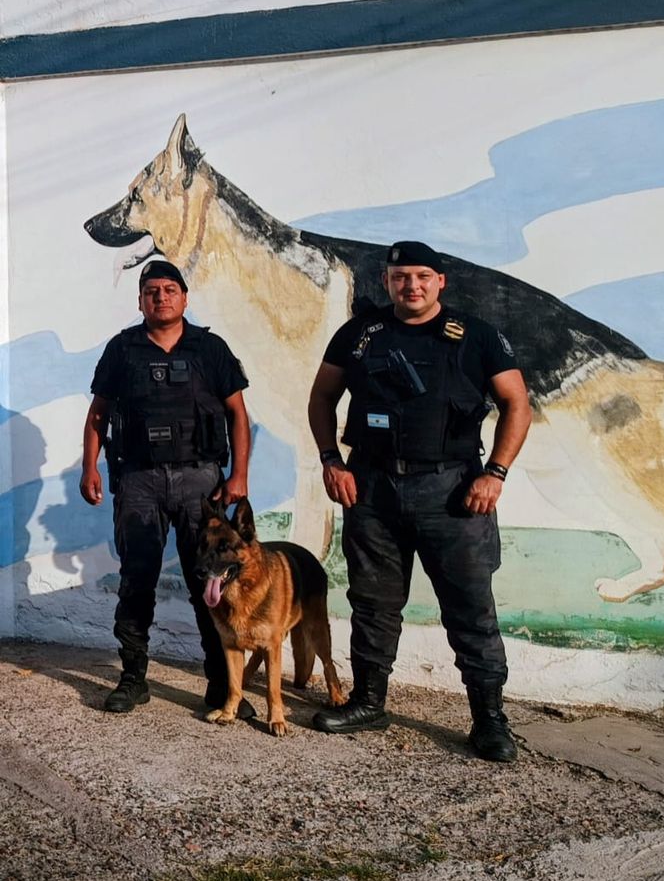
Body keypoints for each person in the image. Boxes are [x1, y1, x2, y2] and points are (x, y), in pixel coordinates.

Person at [307, 241, 532, 762]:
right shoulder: (359, 335)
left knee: (470, 607)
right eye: (401, 277)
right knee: (373, 602)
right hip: (372, 486)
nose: (412, 285)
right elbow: (322, 397)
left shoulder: (477, 336)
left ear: (440, 282)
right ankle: (368, 702)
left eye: (422, 276)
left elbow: (517, 403)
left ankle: (490, 720)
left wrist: (495, 473)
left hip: (453, 491)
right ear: (387, 282)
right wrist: (330, 461)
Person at [79, 259, 253, 717]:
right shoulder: (122, 350)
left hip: (201, 480)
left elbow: (238, 413)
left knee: (209, 581)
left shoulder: (210, 348)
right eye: (152, 290)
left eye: (170, 289)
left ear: (184, 298)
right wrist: (89, 468)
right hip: (140, 480)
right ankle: (133, 678)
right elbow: (99, 414)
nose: (161, 297)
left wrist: (238, 476)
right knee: (137, 580)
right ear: (140, 300)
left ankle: (222, 687)